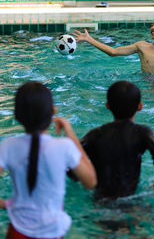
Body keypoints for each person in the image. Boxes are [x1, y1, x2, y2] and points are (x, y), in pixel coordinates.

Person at [0, 81, 97, 239]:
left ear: (17, 115)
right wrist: (70, 133)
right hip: (53, 231)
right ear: (53, 111)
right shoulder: (64, 146)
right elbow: (90, 182)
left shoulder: (8, 146)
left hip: (17, 231)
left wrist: (7, 204)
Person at [80, 80, 154, 199]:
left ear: (107, 105)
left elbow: (75, 153)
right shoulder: (142, 133)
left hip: (102, 200)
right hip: (131, 198)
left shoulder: (95, 134)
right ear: (140, 106)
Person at [73, 15, 154, 76]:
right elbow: (113, 52)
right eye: (152, 24)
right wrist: (89, 39)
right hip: (146, 83)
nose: (152, 28)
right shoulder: (142, 46)